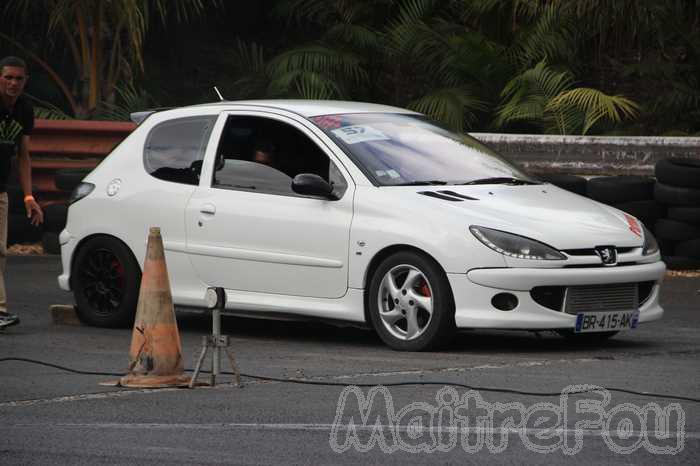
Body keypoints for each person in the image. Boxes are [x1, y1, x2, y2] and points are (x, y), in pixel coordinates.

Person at [0, 56, 43, 330]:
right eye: (8, 77)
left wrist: (29, 196)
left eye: (19, 78)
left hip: (1, 188)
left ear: (25, 81)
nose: (13, 83)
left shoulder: (24, 110)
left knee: (0, 252)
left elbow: (23, 155)